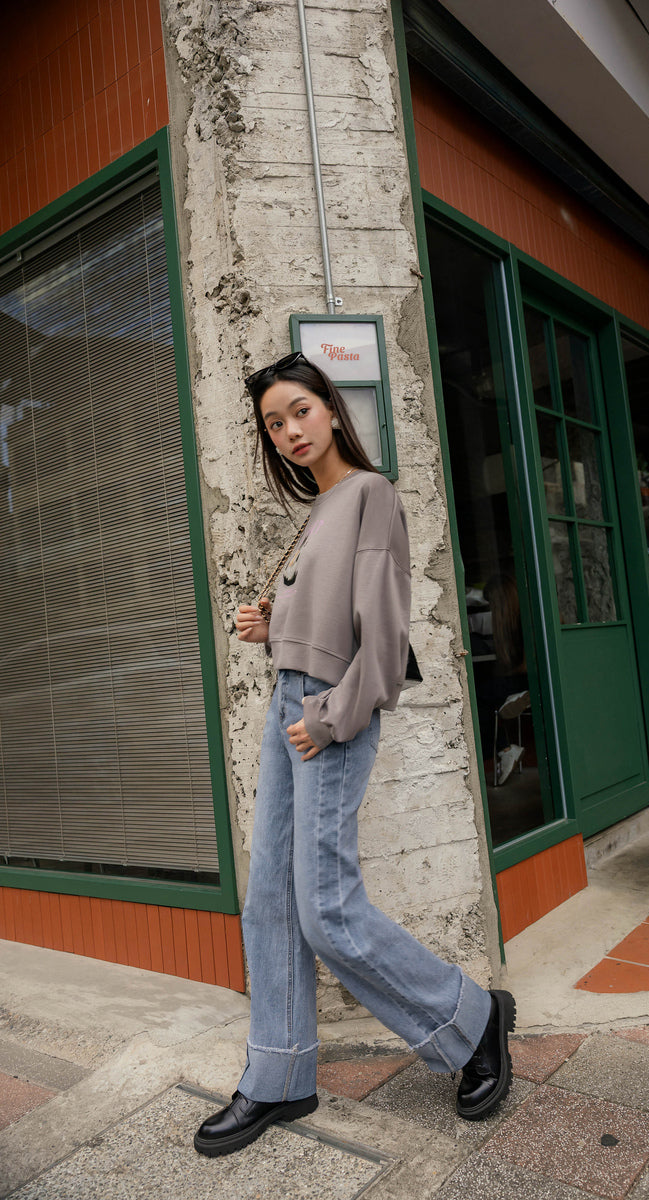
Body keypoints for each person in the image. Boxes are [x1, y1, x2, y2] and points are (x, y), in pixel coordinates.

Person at [193, 351, 515, 1158]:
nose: (290, 431)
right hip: (292, 701)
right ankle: (278, 1076)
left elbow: (385, 634)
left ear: (332, 410)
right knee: (270, 900)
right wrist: (273, 628)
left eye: (300, 411)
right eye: (275, 423)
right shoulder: (323, 507)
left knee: (327, 911)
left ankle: (470, 1018)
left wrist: (333, 718)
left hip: (327, 711)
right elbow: (326, 621)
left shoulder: (370, 494)